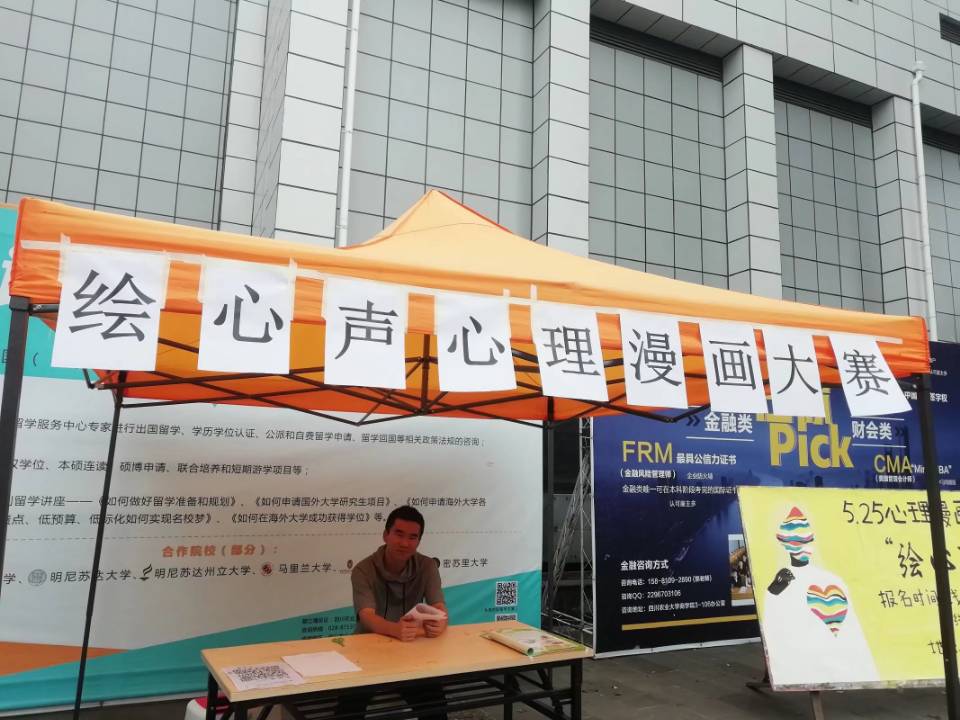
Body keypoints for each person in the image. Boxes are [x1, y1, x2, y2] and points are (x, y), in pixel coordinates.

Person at [339, 506, 448, 719]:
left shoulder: (427, 566)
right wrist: (395, 629)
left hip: (411, 650)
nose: (405, 543)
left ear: (419, 541)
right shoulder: (363, 569)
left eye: (412, 537)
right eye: (399, 534)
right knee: (348, 707)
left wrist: (440, 622)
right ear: (385, 535)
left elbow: (439, 607)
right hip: (367, 649)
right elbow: (366, 616)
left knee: (435, 704)